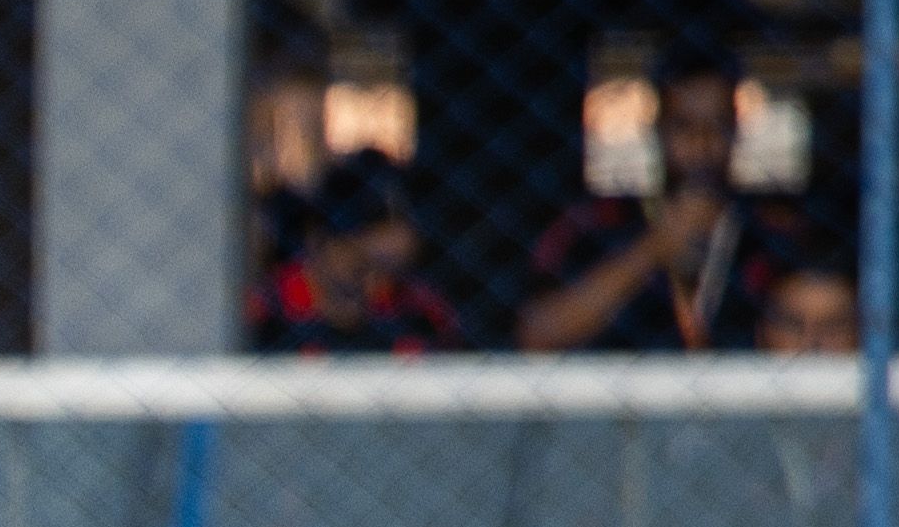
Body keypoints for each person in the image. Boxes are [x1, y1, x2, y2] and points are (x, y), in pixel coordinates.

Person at [513, 55, 808, 361]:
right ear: (656, 129)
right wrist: (655, 247)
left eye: (717, 125)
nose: (702, 143)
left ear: (737, 130)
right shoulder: (600, 221)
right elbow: (537, 335)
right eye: (684, 126)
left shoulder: (773, 230)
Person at [252, 158, 466, 356]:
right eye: (362, 265)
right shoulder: (271, 309)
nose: (376, 282)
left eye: (387, 268)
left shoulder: (417, 309)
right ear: (316, 240)